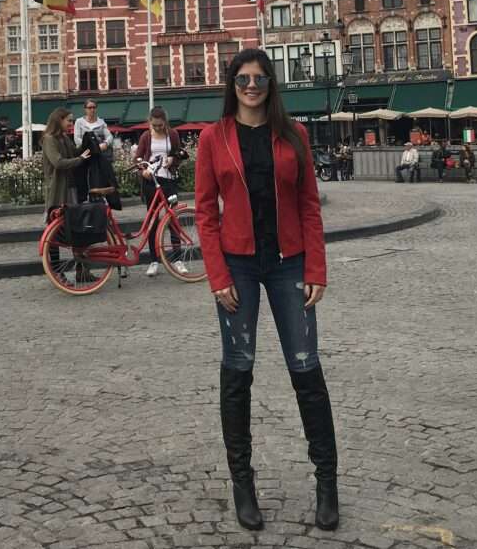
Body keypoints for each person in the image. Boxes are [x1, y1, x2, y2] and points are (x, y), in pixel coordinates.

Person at [196, 48, 337, 533]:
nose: (252, 86)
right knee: (238, 373)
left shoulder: (293, 134)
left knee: (306, 370)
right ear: (232, 85)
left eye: (259, 78)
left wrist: (316, 268)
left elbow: (310, 204)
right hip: (237, 265)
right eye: (243, 79)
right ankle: (243, 483)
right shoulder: (213, 138)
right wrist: (217, 276)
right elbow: (205, 213)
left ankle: (327, 482)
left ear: (271, 83)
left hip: (288, 263)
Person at [134, 107, 189, 277]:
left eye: (160, 125)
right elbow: (137, 158)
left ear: (165, 122)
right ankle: (154, 260)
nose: (157, 128)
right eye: (154, 125)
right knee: (152, 221)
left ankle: (177, 259)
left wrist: (173, 159)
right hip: (151, 182)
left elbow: (179, 153)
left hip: (168, 180)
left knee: (173, 218)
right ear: (150, 122)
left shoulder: (172, 134)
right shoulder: (146, 136)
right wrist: (143, 170)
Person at [42, 107, 92, 279]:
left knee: (76, 229)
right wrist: (80, 159)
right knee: (54, 232)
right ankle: (57, 272)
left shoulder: (63, 138)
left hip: (70, 188)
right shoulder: (49, 139)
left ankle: (81, 270)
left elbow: (75, 152)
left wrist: (87, 143)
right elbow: (58, 162)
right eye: (69, 120)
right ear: (59, 120)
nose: (71, 124)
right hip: (58, 191)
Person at [73, 100, 111, 203]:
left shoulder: (101, 122)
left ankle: (97, 197)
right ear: (85, 109)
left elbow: (109, 136)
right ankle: (84, 197)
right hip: (84, 153)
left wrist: (105, 143)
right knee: (84, 176)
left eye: (94, 107)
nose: (92, 109)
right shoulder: (79, 122)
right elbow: (77, 138)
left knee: (97, 176)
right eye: (90, 107)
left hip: (97, 154)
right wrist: (88, 146)